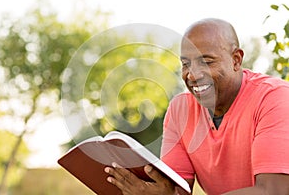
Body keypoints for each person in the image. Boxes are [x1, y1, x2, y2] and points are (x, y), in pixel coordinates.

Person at [104, 18, 289, 195]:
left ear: (236, 60)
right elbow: (176, 191)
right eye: (185, 64)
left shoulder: (275, 98)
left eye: (206, 62)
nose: (192, 75)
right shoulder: (180, 111)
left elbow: (273, 191)